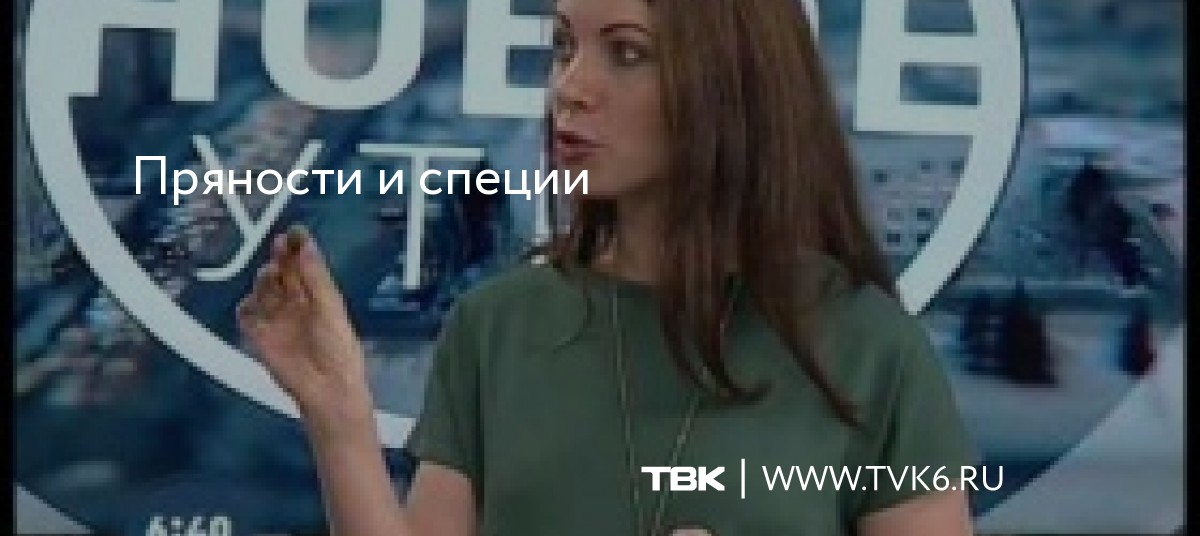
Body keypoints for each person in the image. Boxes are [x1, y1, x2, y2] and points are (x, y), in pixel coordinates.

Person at [236, 0, 980, 534]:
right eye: (564, 47)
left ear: (732, 82)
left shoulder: (868, 349)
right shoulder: (497, 327)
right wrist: (338, 413)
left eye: (626, 52)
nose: (569, 87)